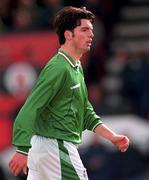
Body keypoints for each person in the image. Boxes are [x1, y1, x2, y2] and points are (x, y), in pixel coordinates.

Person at [9, 6, 129, 180]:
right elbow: (31, 107)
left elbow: (85, 111)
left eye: (92, 30)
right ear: (68, 34)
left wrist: (112, 137)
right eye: (85, 30)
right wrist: (21, 148)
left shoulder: (75, 66)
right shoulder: (59, 68)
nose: (91, 35)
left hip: (45, 148)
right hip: (55, 146)